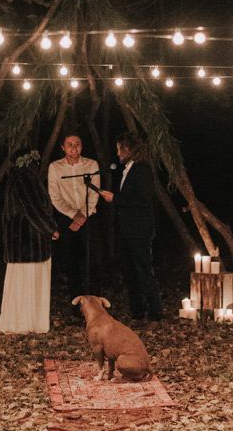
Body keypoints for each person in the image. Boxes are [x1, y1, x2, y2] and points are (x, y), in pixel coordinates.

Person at [97, 132, 163, 321]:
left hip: (139, 229)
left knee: (143, 270)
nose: (117, 153)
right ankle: (138, 312)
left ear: (128, 149)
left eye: (119, 149)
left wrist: (115, 198)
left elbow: (141, 199)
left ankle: (155, 314)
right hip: (127, 229)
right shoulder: (128, 168)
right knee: (130, 271)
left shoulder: (142, 169)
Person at [0, 154, 58, 334]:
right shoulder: (24, 178)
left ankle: (26, 322)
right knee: (28, 282)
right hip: (29, 242)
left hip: (22, 241)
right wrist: (50, 228)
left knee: (26, 282)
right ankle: (24, 323)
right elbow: (33, 209)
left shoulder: (17, 178)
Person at [47, 132, 100, 310]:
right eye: (69, 144)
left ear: (82, 146)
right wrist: (73, 215)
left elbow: (95, 192)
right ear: (63, 147)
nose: (73, 147)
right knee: (71, 261)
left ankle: (94, 303)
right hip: (66, 218)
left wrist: (83, 215)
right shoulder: (55, 167)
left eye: (77, 143)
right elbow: (54, 197)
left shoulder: (91, 165)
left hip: (89, 217)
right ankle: (76, 304)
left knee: (90, 260)